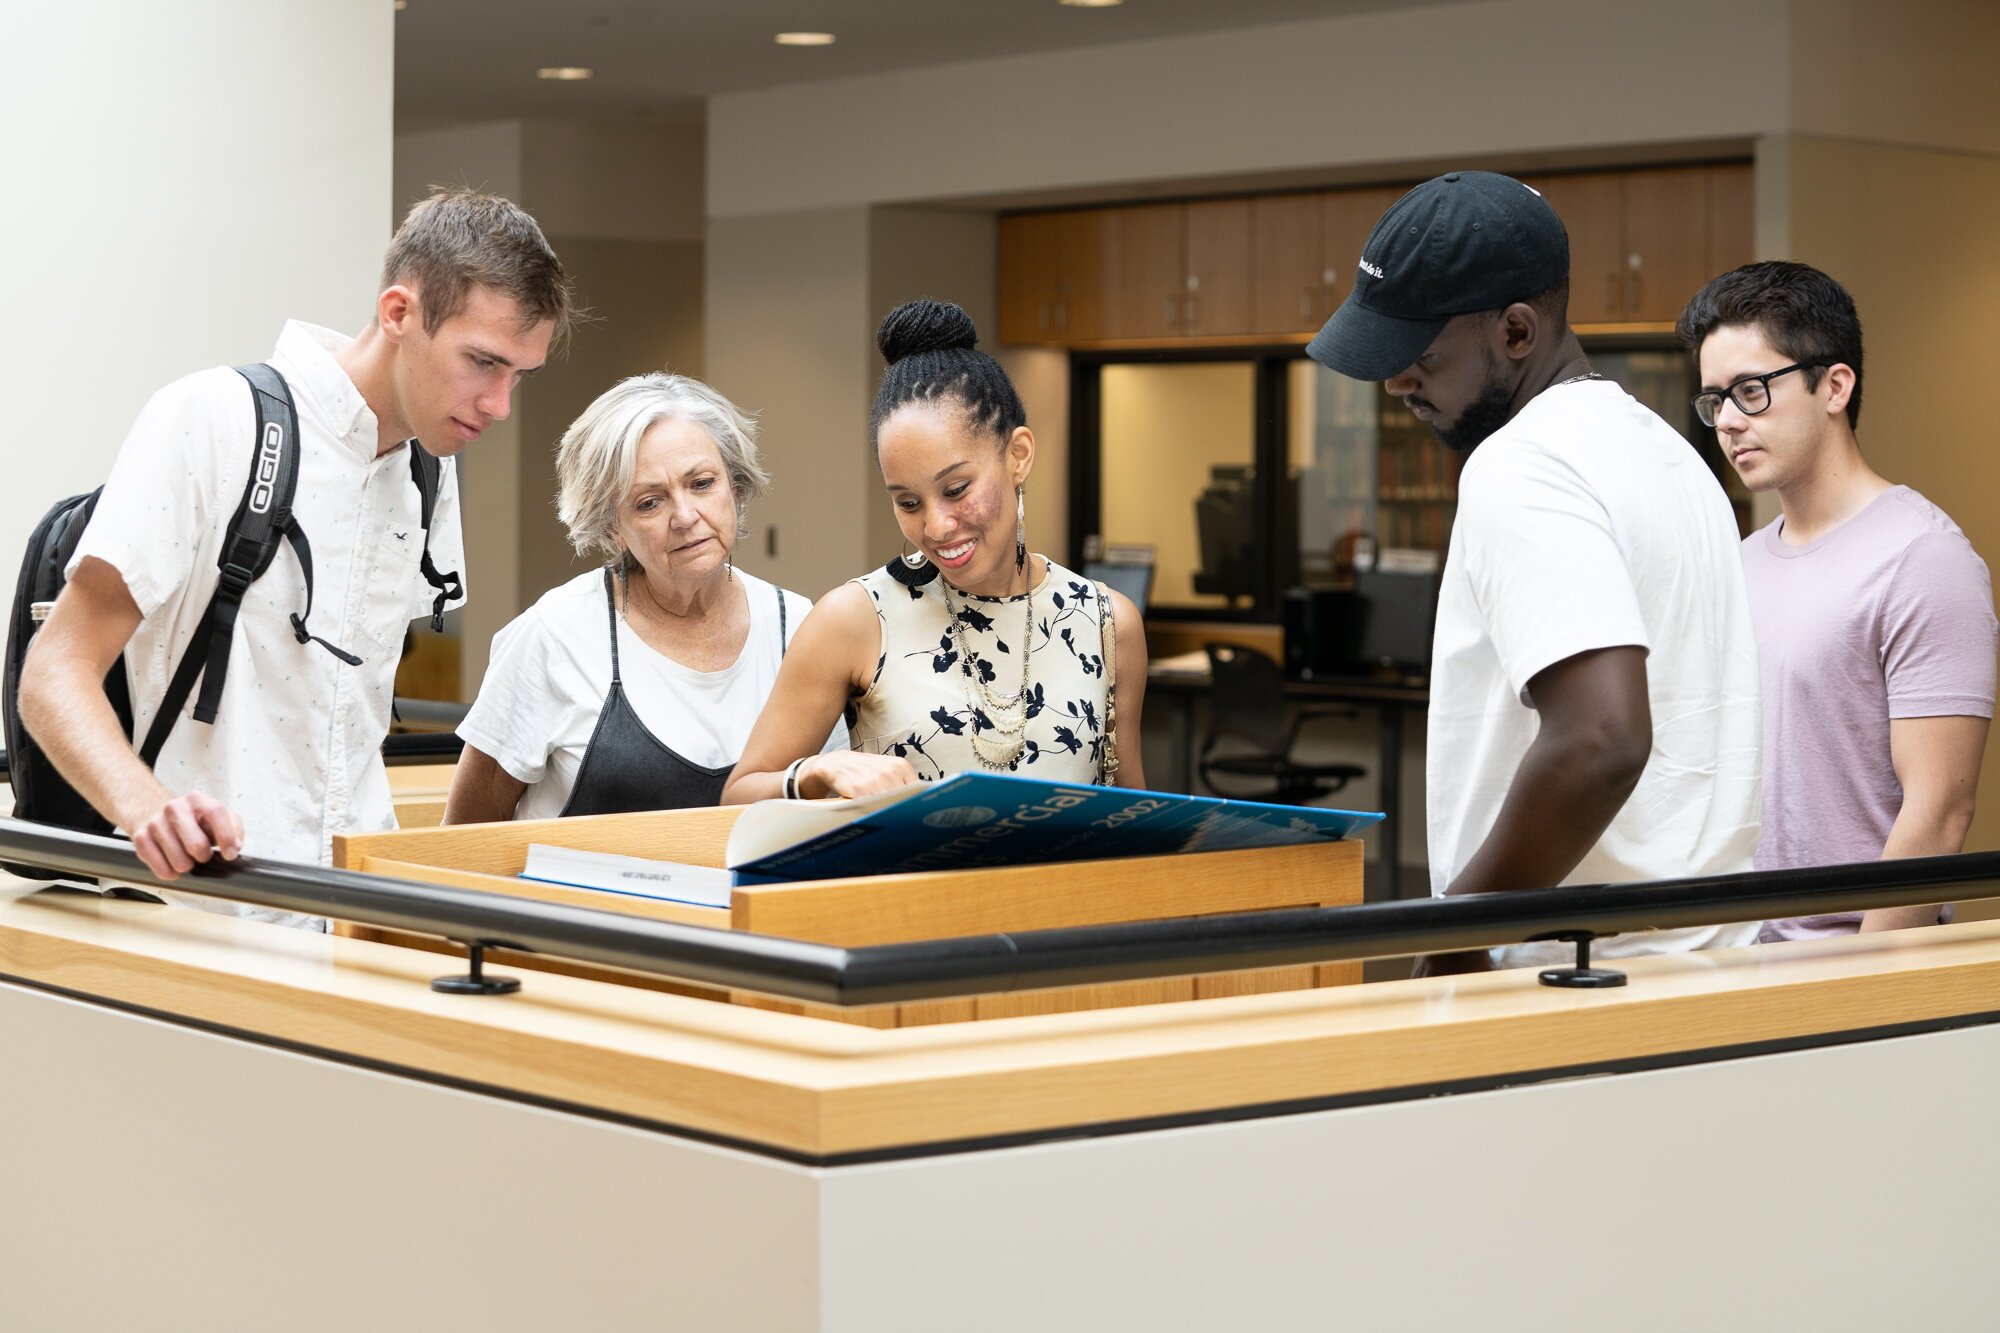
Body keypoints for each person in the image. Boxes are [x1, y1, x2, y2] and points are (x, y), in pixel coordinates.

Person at [19, 189, 574, 919]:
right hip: (196, 913)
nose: (499, 404)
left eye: (518, 375)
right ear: (398, 313)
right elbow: (53, 674)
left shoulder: (426, 473)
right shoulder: (210, 418)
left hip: (349, 915)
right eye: (482, 363)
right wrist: (147, 808)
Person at [1305, 170, 1761, 973]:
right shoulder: (1674, 459)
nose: (1396, 380)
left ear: (1517, 331)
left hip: (1573, 983)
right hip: (1706, 962)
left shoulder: (1521, 464)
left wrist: (1451, 944)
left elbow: (1601, 736)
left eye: (1418, 353)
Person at [1678, 262, 1996, 940]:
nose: (1729, 421)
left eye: (1752, 390)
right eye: (1715, 400)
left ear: (1835, 385)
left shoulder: (1923, 558)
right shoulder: (1741, 563)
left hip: (1848, 968)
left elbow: (1939, 810)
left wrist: (1862, 987)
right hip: (1736, 954)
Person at [722, 299, 1146, 803]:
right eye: (907, 501)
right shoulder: (856, 620)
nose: (937, 525)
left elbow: (1132, 814)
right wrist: (815, 773)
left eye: (957, 488)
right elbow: (739, 795)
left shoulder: (1106, 623)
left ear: (1018, 455)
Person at [444, 374, 845, 822]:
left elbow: (829, 806)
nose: (686, 516)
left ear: (735, 486)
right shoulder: (554, 636)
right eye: (649, 503)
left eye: (702, 483)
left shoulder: (799, 624)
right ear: (612, 527)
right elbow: (465, 833)